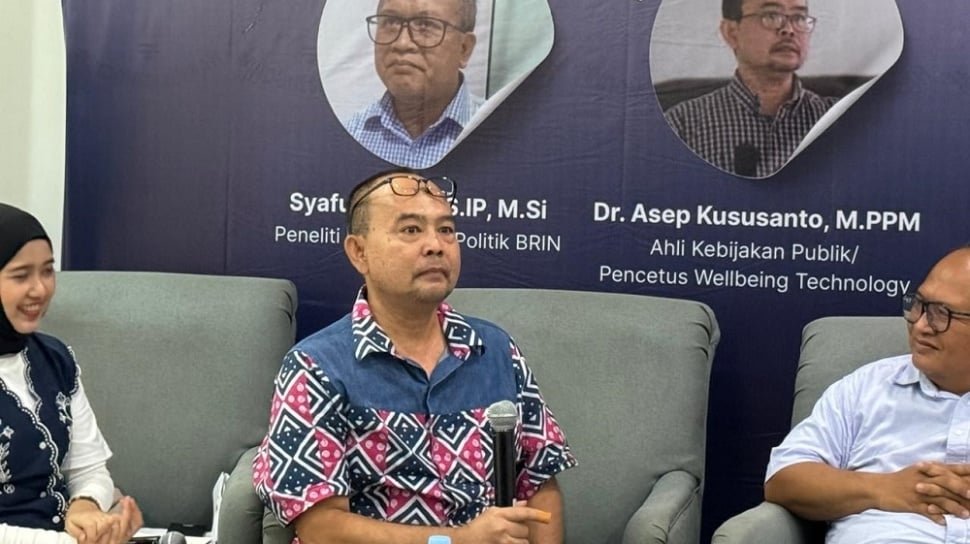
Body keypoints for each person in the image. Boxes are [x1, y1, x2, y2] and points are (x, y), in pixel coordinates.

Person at [253, 169, 576, 543]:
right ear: (359, 252)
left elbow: (540, 482)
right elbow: (322, 529)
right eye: (411, 230)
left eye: (446, 230)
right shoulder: (315, 367)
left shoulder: (496, 350)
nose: (436, 245)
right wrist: (457, 540)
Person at [765, 246, 970, 543]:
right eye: (919, 305)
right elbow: (783, 479)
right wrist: (886, 488)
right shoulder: (866, 389)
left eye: (942, 314)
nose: (920, 325)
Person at [0, 203, 142, 544]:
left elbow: (89, 469)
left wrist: (86, 509)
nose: (40, 289)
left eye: (48, 271)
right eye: (21, 275)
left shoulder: (55, 358)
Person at [663, 0, 838, 178]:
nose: (789, 30)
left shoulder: (838, 118)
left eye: (799, 17)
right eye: (771, 16)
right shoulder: (683, 124)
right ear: (731, 32)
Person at [343, 0, 483, 169]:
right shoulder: (347, 138)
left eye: (425, 25)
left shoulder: (496, 136)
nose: (402, 44)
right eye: (390, 22)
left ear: (464, 49)